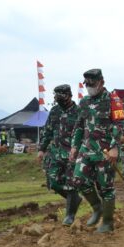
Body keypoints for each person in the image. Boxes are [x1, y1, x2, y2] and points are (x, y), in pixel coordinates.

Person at [70, 69, 122, 233]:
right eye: (87, 84)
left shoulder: (113, 99)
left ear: (101, 82)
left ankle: (107, 222)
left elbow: (119, 125)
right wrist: (74, 146)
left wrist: (114, 147)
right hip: (86, 150)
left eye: (92, 83)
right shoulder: (84, 101)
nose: (89, 87)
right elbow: (79, 126)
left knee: (105, 187)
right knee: (78, 180)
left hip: (104, 151)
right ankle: (97, 207)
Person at [38, 84, 81, 225]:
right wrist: (41, 149)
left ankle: (69, 216)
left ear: (69, 95)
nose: (59, 100)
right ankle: (74, 198)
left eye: (61, 97)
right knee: (53, 183)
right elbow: (48, 131)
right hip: (56, 153)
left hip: (72, 155)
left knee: (71, 185)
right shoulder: (55, 111)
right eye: (56, 97)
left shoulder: (79, 112)